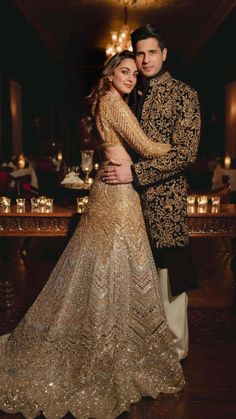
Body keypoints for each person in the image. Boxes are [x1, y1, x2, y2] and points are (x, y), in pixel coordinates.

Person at [0, 51, 184, 419]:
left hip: (115, 192)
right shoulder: (113, 103)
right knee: (114, 263)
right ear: (110, 73)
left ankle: (115, 344)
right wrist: (180, 150)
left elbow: (133, 152)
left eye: (135, 72)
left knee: (107, 264)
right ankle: (104, 350)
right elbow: (146, 148)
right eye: (125, 70)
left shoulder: (107, 102)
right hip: (117, 197)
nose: (132, 77)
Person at [102, 25, 201, 361]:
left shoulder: (184, 94)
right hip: (127, 202)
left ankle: (173, 353)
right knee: (133, 276)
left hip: (165, 203)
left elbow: (185, 154)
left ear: (164, 54)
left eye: (151, 52)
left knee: (169, 275)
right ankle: (141, 349)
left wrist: (136, 172)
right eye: (139, 53)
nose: (145, 60)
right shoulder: (130, 93)